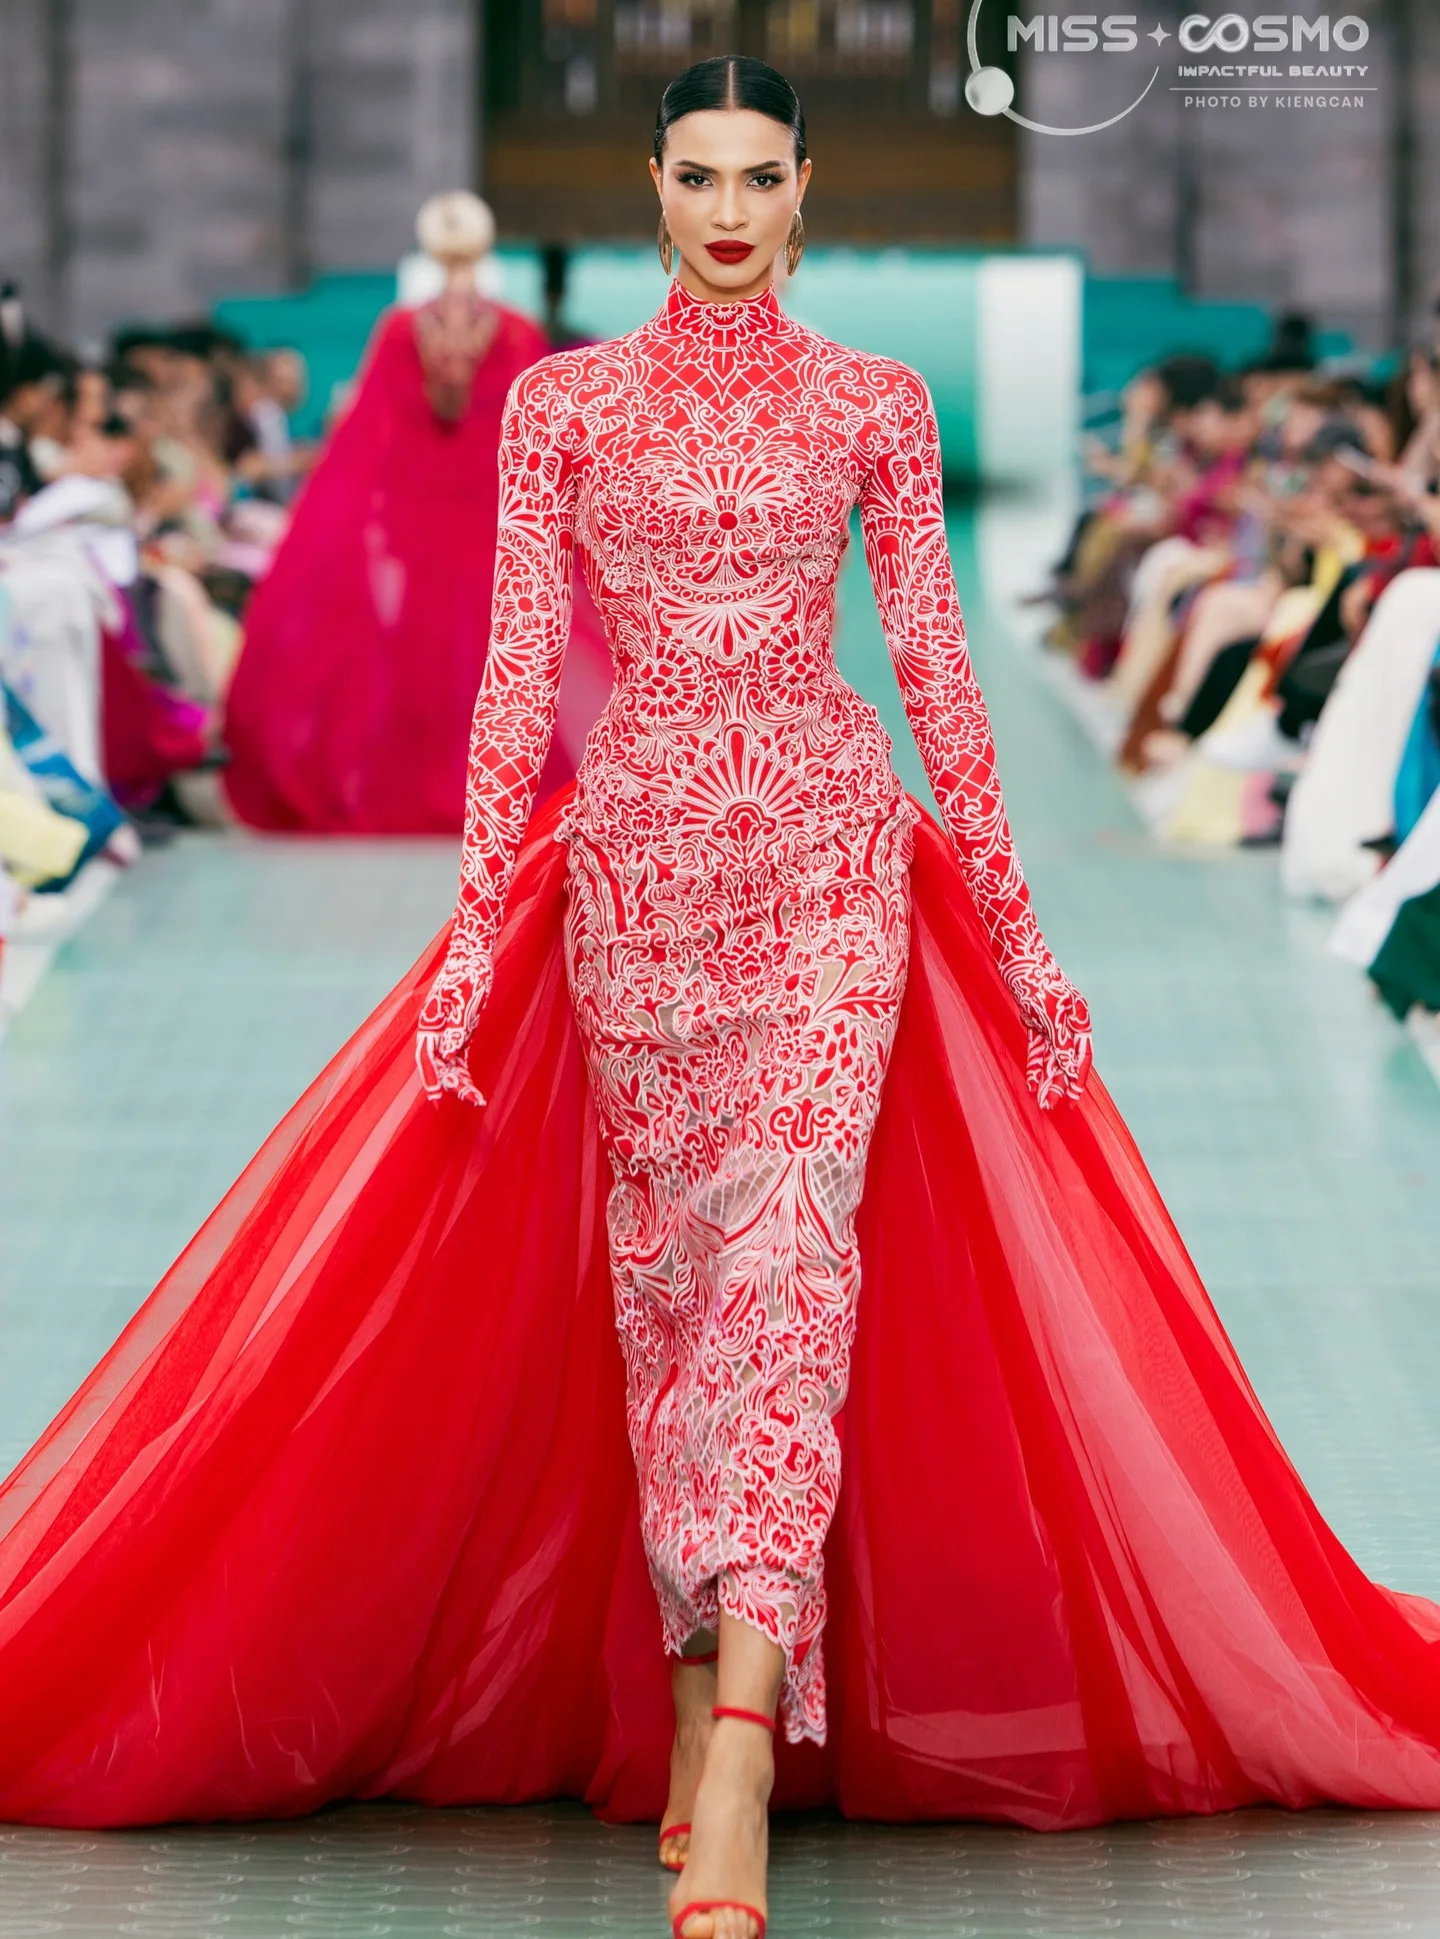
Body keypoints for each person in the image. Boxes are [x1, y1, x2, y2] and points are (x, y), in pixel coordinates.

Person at [12, 53, 1440, 1939]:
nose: (732, 211)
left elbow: (936, 669)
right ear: (658, 187)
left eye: (764, 176)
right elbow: (517, 681)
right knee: (673, 1282)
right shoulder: (560, 408)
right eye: (699, 177)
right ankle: (697, 1686)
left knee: (792, 1256)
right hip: (637, 868)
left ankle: (750, 1737)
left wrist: (1015, 930)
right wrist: (462, 940)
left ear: (808, 183)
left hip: (836, 853)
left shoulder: (875, 401)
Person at [221, 192, 609, 833]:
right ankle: (498, 789)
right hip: (496, 511)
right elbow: (544, 435)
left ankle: (413, 783)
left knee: (415, 649)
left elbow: (370, 431)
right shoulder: (512, 330)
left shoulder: (403, 329)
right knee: (498, 650)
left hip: (415, 513)